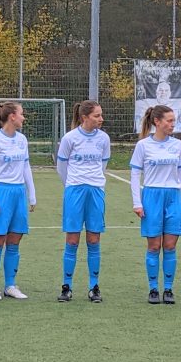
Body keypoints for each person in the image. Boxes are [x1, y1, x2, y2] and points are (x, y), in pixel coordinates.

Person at [129, 105, 181, 305]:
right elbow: (135, 174)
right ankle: (153, 288)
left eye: (174, 121)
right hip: (151, 196)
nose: (172, 124)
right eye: (169, 120)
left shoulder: (178, 145)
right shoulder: (143, 145)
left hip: (173, 197)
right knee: (154, 245)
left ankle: (169, 289)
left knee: (170, 245)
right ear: (157, 122)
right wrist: (137, 202)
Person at [56, 100, 111, 303]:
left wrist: (95, 182)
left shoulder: (104, 139)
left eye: (101, 114)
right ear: (85, 117)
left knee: (94, 239)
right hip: (74, 191)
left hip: (95, 191)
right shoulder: (70, 138)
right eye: (97, 115)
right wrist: (71, 185)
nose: (101, 119)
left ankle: (93, 287)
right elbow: (61, 167)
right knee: (72, 240)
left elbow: (103, 164)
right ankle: (66, 286)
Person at [0, 101, 37, 301]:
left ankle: (10, 285)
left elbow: (26, 167)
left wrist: (31, 194)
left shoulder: (22, 139)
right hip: (1, 190)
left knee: (15, 240)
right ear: (12, 117)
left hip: (18, 193)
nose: (24, 117)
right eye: (21, 114)